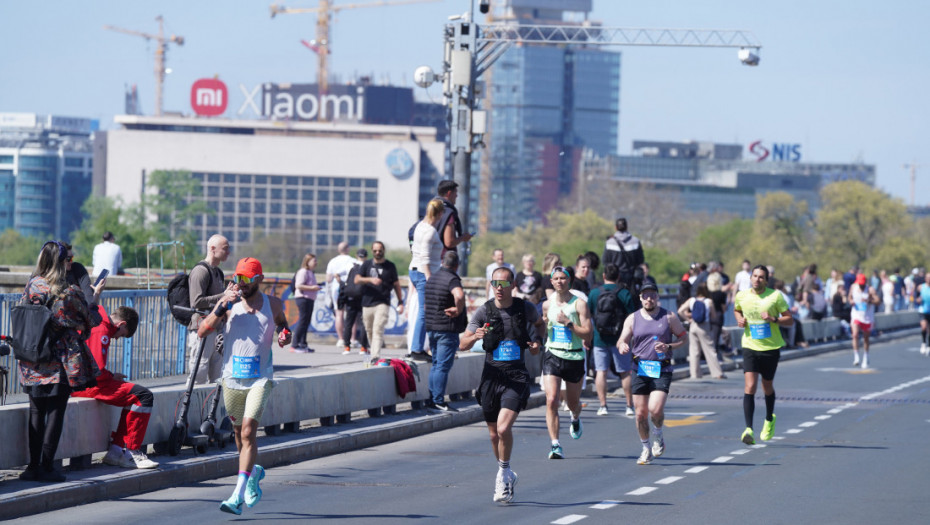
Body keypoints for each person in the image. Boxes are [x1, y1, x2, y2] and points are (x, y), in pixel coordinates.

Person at [197, 257, 291, 515]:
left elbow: (283, 325)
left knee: (249, 432)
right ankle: (252, 475)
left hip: (261, 378)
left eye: (248, 279)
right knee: (239, 435)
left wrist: (285, 334)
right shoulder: (228, 304)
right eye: (239, 278)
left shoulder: (273, 304)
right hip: (232, 379)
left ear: (259, 278)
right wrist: (221, 305)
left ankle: (237, 496)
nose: (243, 284)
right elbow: (202, 331)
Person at [19, 240, 102, 482]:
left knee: (36, 413)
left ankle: (32, 467)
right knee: (55, 414)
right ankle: (47, 467)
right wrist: (95, 300)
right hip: (59, 362)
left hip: (32, 360)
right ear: (62, 262)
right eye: (69, 259)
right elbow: (91, 322)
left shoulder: (32, 286)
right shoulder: (69, 292)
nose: (71, 263)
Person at [460, 267, 545, 503]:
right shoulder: (484, 311)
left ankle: (503, 475)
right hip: (491, 376)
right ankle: (506, 471)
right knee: (492, 435)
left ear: (513, 285)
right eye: (495, 283)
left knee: (503, 429)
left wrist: (537, 343)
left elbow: (540, 325)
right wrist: (474, 337)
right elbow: (462, 344)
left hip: (516, 376)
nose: (499, 288)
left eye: (504, 284)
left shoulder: (524, 308)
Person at [72, 305, 158, 469]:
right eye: (121, 335)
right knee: (142, 396)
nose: (117, 338)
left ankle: (117, 450)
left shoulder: (96, 319)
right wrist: (110, 377)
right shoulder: (102, 331)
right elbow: (96, 370)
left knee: (132, 394)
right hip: (88, 384)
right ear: (122, 324)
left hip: (80, 381)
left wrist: (111, 376)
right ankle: (131, 451)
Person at [617, 282, 687, 465]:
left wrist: (669, 346)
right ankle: (645, 448)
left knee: (655, 409)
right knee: (640, 414)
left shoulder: (669, 317)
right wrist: (623, 345)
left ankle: (658, 434)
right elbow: (622, 339)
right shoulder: (632, 318)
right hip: (639, 369)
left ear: (658, 297)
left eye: (652, 295)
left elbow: (683, 337)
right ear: (640, 298)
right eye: (645, 295)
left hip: (661, 368)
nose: (649, 299)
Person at [734, 265, 792, 446]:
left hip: (770, 348)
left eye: (761, 277)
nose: (757, 279)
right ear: (750, 278)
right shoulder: (742, 295)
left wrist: (773, 319)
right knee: (750, 386)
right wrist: (739, 319)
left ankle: (769, 418)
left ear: (766, 280)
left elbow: (789, 320)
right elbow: (737, 309)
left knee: (767, 385)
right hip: (750, 345)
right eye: (755, 276)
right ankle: (748, 429)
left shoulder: (775, 296)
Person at [540, 266, 592, 459]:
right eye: (556, 279)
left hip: (575, 356)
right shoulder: (547, 305)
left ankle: (575, 417)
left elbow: (588, 333)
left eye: (563, 278)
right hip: (553, 355)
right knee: (552, 399)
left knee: (572, 403)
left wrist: (568, 323)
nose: (560, 281)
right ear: (551, 282)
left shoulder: (579, 305)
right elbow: (545, 326)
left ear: (569, 281)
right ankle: (555, 445)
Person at [588, 263, 636, 417]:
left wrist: (588, 336)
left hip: (599, 338)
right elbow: (632, 317)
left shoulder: (594, 293)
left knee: (600, 372)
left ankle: (603, 405)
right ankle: (629, 406)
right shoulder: (624, 293)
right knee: (625, 372)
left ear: (603, 276)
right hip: (620, 339)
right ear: (618, 277)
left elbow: (588, 316)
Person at [424, 251, 467, 411]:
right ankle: (438, 400)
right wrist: (458, 309)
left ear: (443, 261)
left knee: (436, 364)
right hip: (446, 328)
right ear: (457, 265)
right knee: (442, 366)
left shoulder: (433, 277)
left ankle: (431, 399)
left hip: (432, 327)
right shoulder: (452, 279)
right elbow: (459, 295)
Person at [188, 234, 232, 384]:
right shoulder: (201, 271)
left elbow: (221, 299)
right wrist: (223, 296)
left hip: (217, 327)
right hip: (202, 326)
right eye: (225, 249)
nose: (228, 252)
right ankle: (192, 404)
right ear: (213, 249)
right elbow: (196, 301)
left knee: (217, 374)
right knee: (199, 371)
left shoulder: (218, 272)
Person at [355, 241, 404, 365]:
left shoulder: (390, 266)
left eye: (380, 250)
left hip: (383, 302)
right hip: (367, 303)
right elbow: (357, 279)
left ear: (384, 250)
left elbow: (396, 285)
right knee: (369, 330)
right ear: (372, 251)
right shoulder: (366, 264)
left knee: (378, 329)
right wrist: (370, 279)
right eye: (375, 250)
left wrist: (400, 301)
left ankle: (375, 356)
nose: (378, 253)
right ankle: (372, 354)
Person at [408, 198, 445, 362]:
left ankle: (420, 347)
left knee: (424, 312)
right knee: (425, 313)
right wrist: (430, 280)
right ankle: (417, 349)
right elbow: (425, 257)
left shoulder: (420, 226)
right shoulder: (430, 231)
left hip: (415, 271)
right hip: (424, 274)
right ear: (440, 213)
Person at [678, 283, 726, 380]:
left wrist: (688, 319)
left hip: (693, 326)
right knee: (710, 350)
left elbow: (680, 311)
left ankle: (695, 374)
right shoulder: (709, 301)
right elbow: (713, 316)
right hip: (704, 326)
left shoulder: (691, 300)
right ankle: (717, 373)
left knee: (694, 351)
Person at [325, 242, 358, 348]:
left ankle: (341, 339)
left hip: (336, 289)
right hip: (350, 288)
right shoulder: (352, 261)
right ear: (347, 249)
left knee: (339, 314)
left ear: (339, 250)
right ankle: (352, 339)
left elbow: (328, 279)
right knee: (351, 315)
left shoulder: (333, 261)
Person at [341, 249, 370, 355]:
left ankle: (347, 347)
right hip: (363, 298)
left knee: (348, 323)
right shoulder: (368, 266)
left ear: (356, 256)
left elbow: (343, 279)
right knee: (364, 324)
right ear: (366, 256)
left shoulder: (350, 266)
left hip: (351, 298)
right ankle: (363, 348)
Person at [849, 273, 881, 368]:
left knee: (865, 338)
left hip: (867, 316)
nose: (861, 286)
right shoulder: (853, 287)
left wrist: (869, 301)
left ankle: (866, 356)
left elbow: (878, 301)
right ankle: (856, 356)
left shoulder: (870, 289)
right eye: (860, 284)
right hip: (856, 314)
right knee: (855, 334)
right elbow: (849, 297)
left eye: (862, 284)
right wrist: (851, 301)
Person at [602, 217, 644, 288]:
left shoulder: (610, 242)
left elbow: (605, 261)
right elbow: (640, 260)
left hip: (615, 278)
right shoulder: (635, 241)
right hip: (631, 278)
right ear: (626, 227)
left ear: (616, 227)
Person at [291, 253, 321, 353]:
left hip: (310, 299)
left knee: (306, 322)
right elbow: (298, 285)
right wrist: (312, 288)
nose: (316, 262)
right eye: (314, 261)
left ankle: (303, 344)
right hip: (303, 298)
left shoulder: (311, 272)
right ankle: (294, 345)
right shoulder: (303, 272)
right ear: (308, 262)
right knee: (303, 321)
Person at [437, 180, 473, 253]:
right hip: (444, 259)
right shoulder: (448, 213)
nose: (457, 195)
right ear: (449, 193)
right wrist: (463, 237)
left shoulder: (432, 209)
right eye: (455, 192)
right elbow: (449, 242)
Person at [917, 273, 930, 355]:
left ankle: (929, 345)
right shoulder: (921, 287)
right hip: (923, 310)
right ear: (925, 279)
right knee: (924, 327)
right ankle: (924, 343)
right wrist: (918, 300)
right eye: (928, 278)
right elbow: (917, 298)